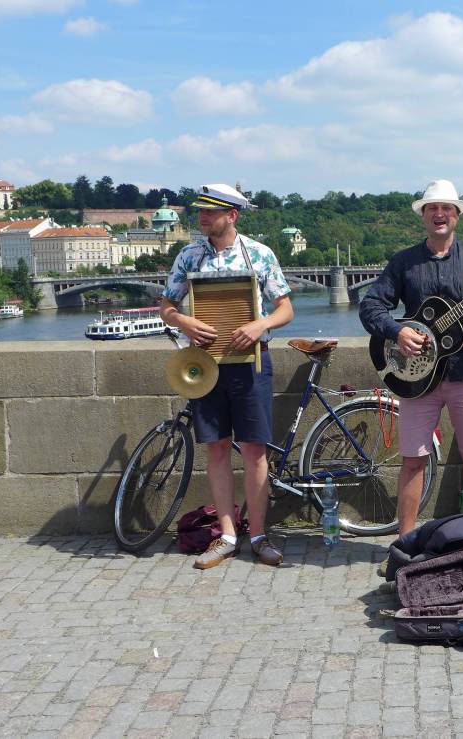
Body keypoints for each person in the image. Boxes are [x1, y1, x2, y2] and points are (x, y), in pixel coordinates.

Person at [359, 179, 463, 535]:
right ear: (424, 216)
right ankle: (405, 542)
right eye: (433, 208)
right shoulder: (404, 262)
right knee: (413, 461)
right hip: (418, 380)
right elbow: (370, 305)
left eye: (447, 208)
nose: (440, 214)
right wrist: (397, 331)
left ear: (457, 216)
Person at [159, 183, 293, 569]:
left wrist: (259, 325)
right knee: (216, 447)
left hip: (251, 363)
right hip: (206, 364)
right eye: (199, 211)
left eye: (210, 211)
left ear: (231, 215)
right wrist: (185, 320)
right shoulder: (188, 256)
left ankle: (259, 535)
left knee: (254, 449)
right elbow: (167, 305)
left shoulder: (259, 255)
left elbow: (285, 310)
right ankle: (227, 535)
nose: (201, 217)